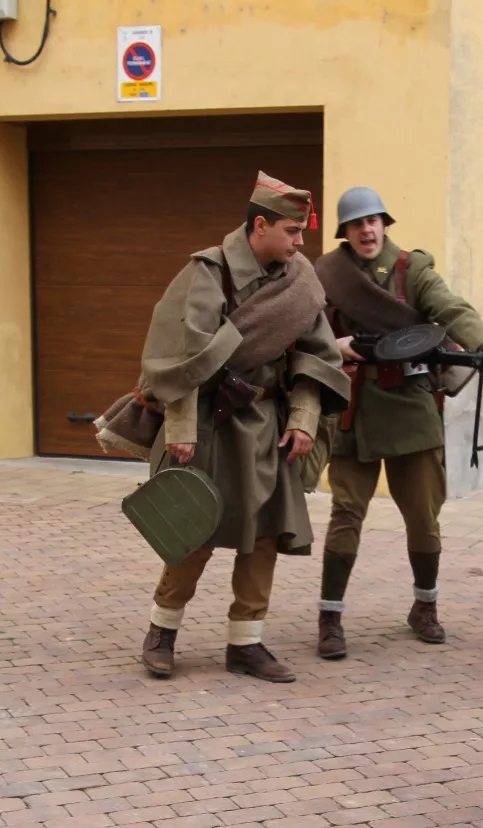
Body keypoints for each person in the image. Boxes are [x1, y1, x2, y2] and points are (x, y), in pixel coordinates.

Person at [136, 172, 350, 683]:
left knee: (266, 536)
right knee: (193, 529)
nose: (301, 243)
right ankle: (162, 632)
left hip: (266, 426)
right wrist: (181, 428)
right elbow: (181, 356)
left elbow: (317, 357)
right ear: (260, 226)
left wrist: (302, 419)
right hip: (209, 422)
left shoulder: (298, 280)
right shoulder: (208, 272)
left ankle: (246, 644)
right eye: (292, 231)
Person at [311, 187, 483, 658]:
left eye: (374, 221)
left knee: (424, 515)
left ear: (384, 224)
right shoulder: (325, 275)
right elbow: (305, 326)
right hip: (353, 408)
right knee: (346, 513)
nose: (367, 230)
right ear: (345, 232)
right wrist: (333, 346)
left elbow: (450, 308)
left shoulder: (412, 270)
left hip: (411, 404)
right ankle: (330, 617)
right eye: (357, 224)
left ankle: (425, 608)